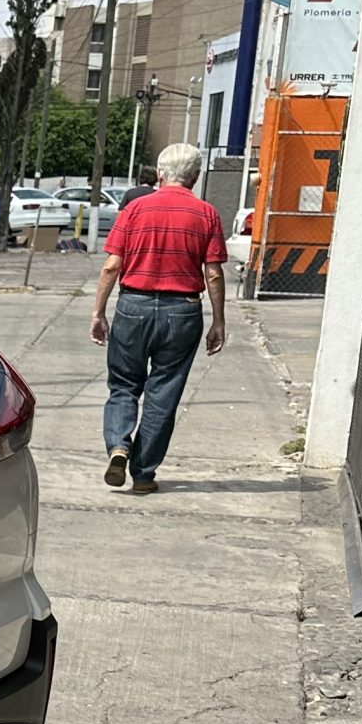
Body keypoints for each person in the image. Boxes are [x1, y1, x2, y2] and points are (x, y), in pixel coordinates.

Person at [89, 141, 228, 494]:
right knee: (163, 393)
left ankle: (119, 444)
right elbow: (213, 273)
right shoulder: (207, 214)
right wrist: (218, 321)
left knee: (123, 385)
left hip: (132, 306)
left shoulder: (135, 209)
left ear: (161, 174)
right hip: (182, 312)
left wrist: (99, 312)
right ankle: (144, 474)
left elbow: (111, 266)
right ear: (195, 177)